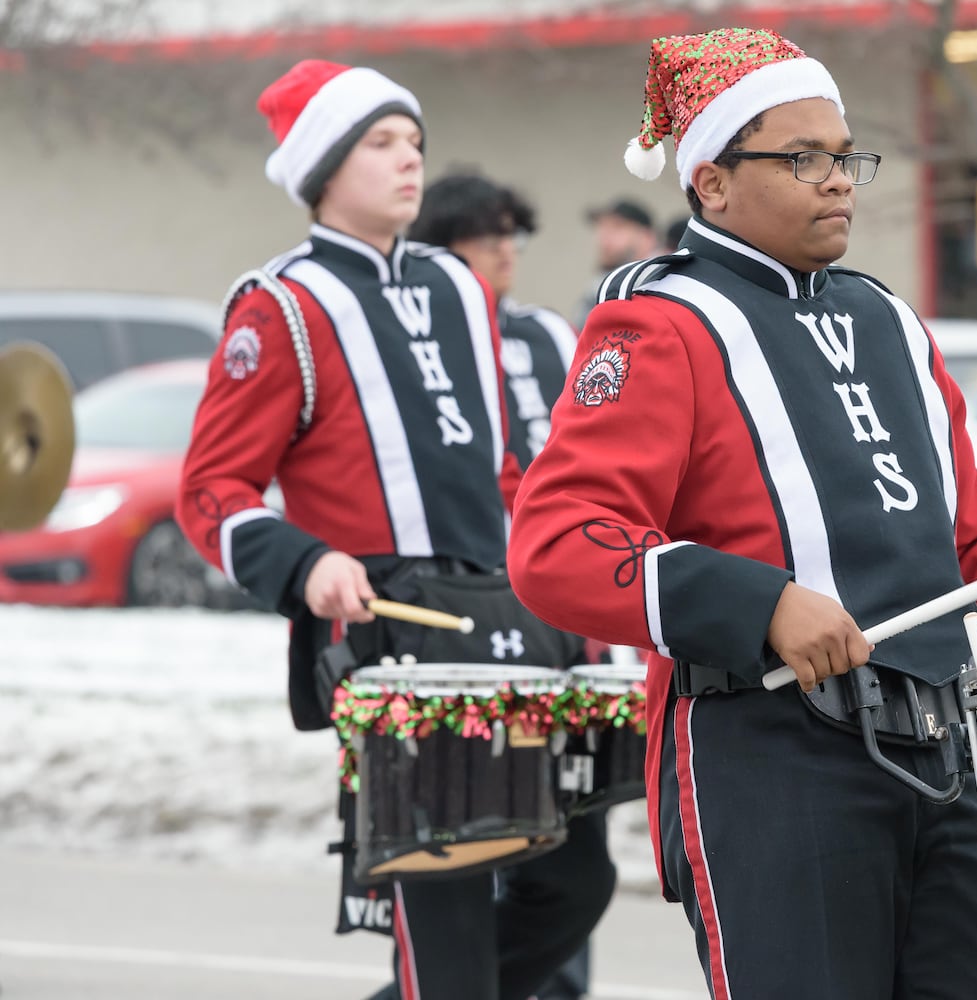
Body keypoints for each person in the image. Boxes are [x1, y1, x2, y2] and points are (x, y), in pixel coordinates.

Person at [507, 28, 977, 1000]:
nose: (839, 179)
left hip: (950, 755)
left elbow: (963, 562)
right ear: (712, 182)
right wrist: (764, 604)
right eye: (803, 159)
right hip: (770, 759)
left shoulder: (890, 322)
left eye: (846, 156)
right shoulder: (658, 323)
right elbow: (556, 545)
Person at [175, 60, 611, 1000]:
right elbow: (210, 489)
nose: (410, 159)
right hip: (391, 637)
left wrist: (561, 576)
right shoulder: (280, 305)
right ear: (324, 167)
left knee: (575, 880)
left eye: (414, 141)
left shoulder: (459, 285)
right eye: (381, 142)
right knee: (445, 916)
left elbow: (502, 464)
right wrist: (305, 564)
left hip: (506, 618)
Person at [405, 172, 609, 1000]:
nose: (503, 252)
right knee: (468, 850)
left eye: (511, 235)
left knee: (571, 849)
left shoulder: (547, 334)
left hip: (560, 608)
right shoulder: (427, 337)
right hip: (469, 608)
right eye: (483, 236)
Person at [575, 197, 663, 326]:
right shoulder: (597, 287)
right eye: (602, 226)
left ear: (647, 238)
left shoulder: (660, 286)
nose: (605, 236)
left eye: (617, 227)